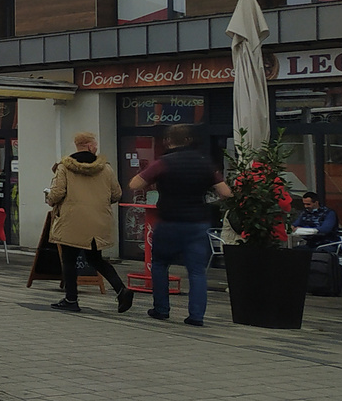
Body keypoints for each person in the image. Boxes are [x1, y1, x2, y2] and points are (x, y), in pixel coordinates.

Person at [129, 123, 231, 326]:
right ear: (189, 140)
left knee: (159, 265)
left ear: (168, 141)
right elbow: (226, 192)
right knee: (196, 271)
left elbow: (134, 184)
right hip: (197, 223)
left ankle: (161, 309)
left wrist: (156, 182)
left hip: (169, 221)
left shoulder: (163, 163)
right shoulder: (205, 163)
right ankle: (196, 316)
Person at [44, 131, 133, 314]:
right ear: (91, 146)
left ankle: (71, 299)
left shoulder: (64, 167)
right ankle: (121, 289)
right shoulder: (106, 169)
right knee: (96, 259)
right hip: (98, 221)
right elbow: (116, 194)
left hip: (72, 221)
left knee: (69, 260)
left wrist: (49, 199)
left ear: (77, 146)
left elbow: (57, 193)